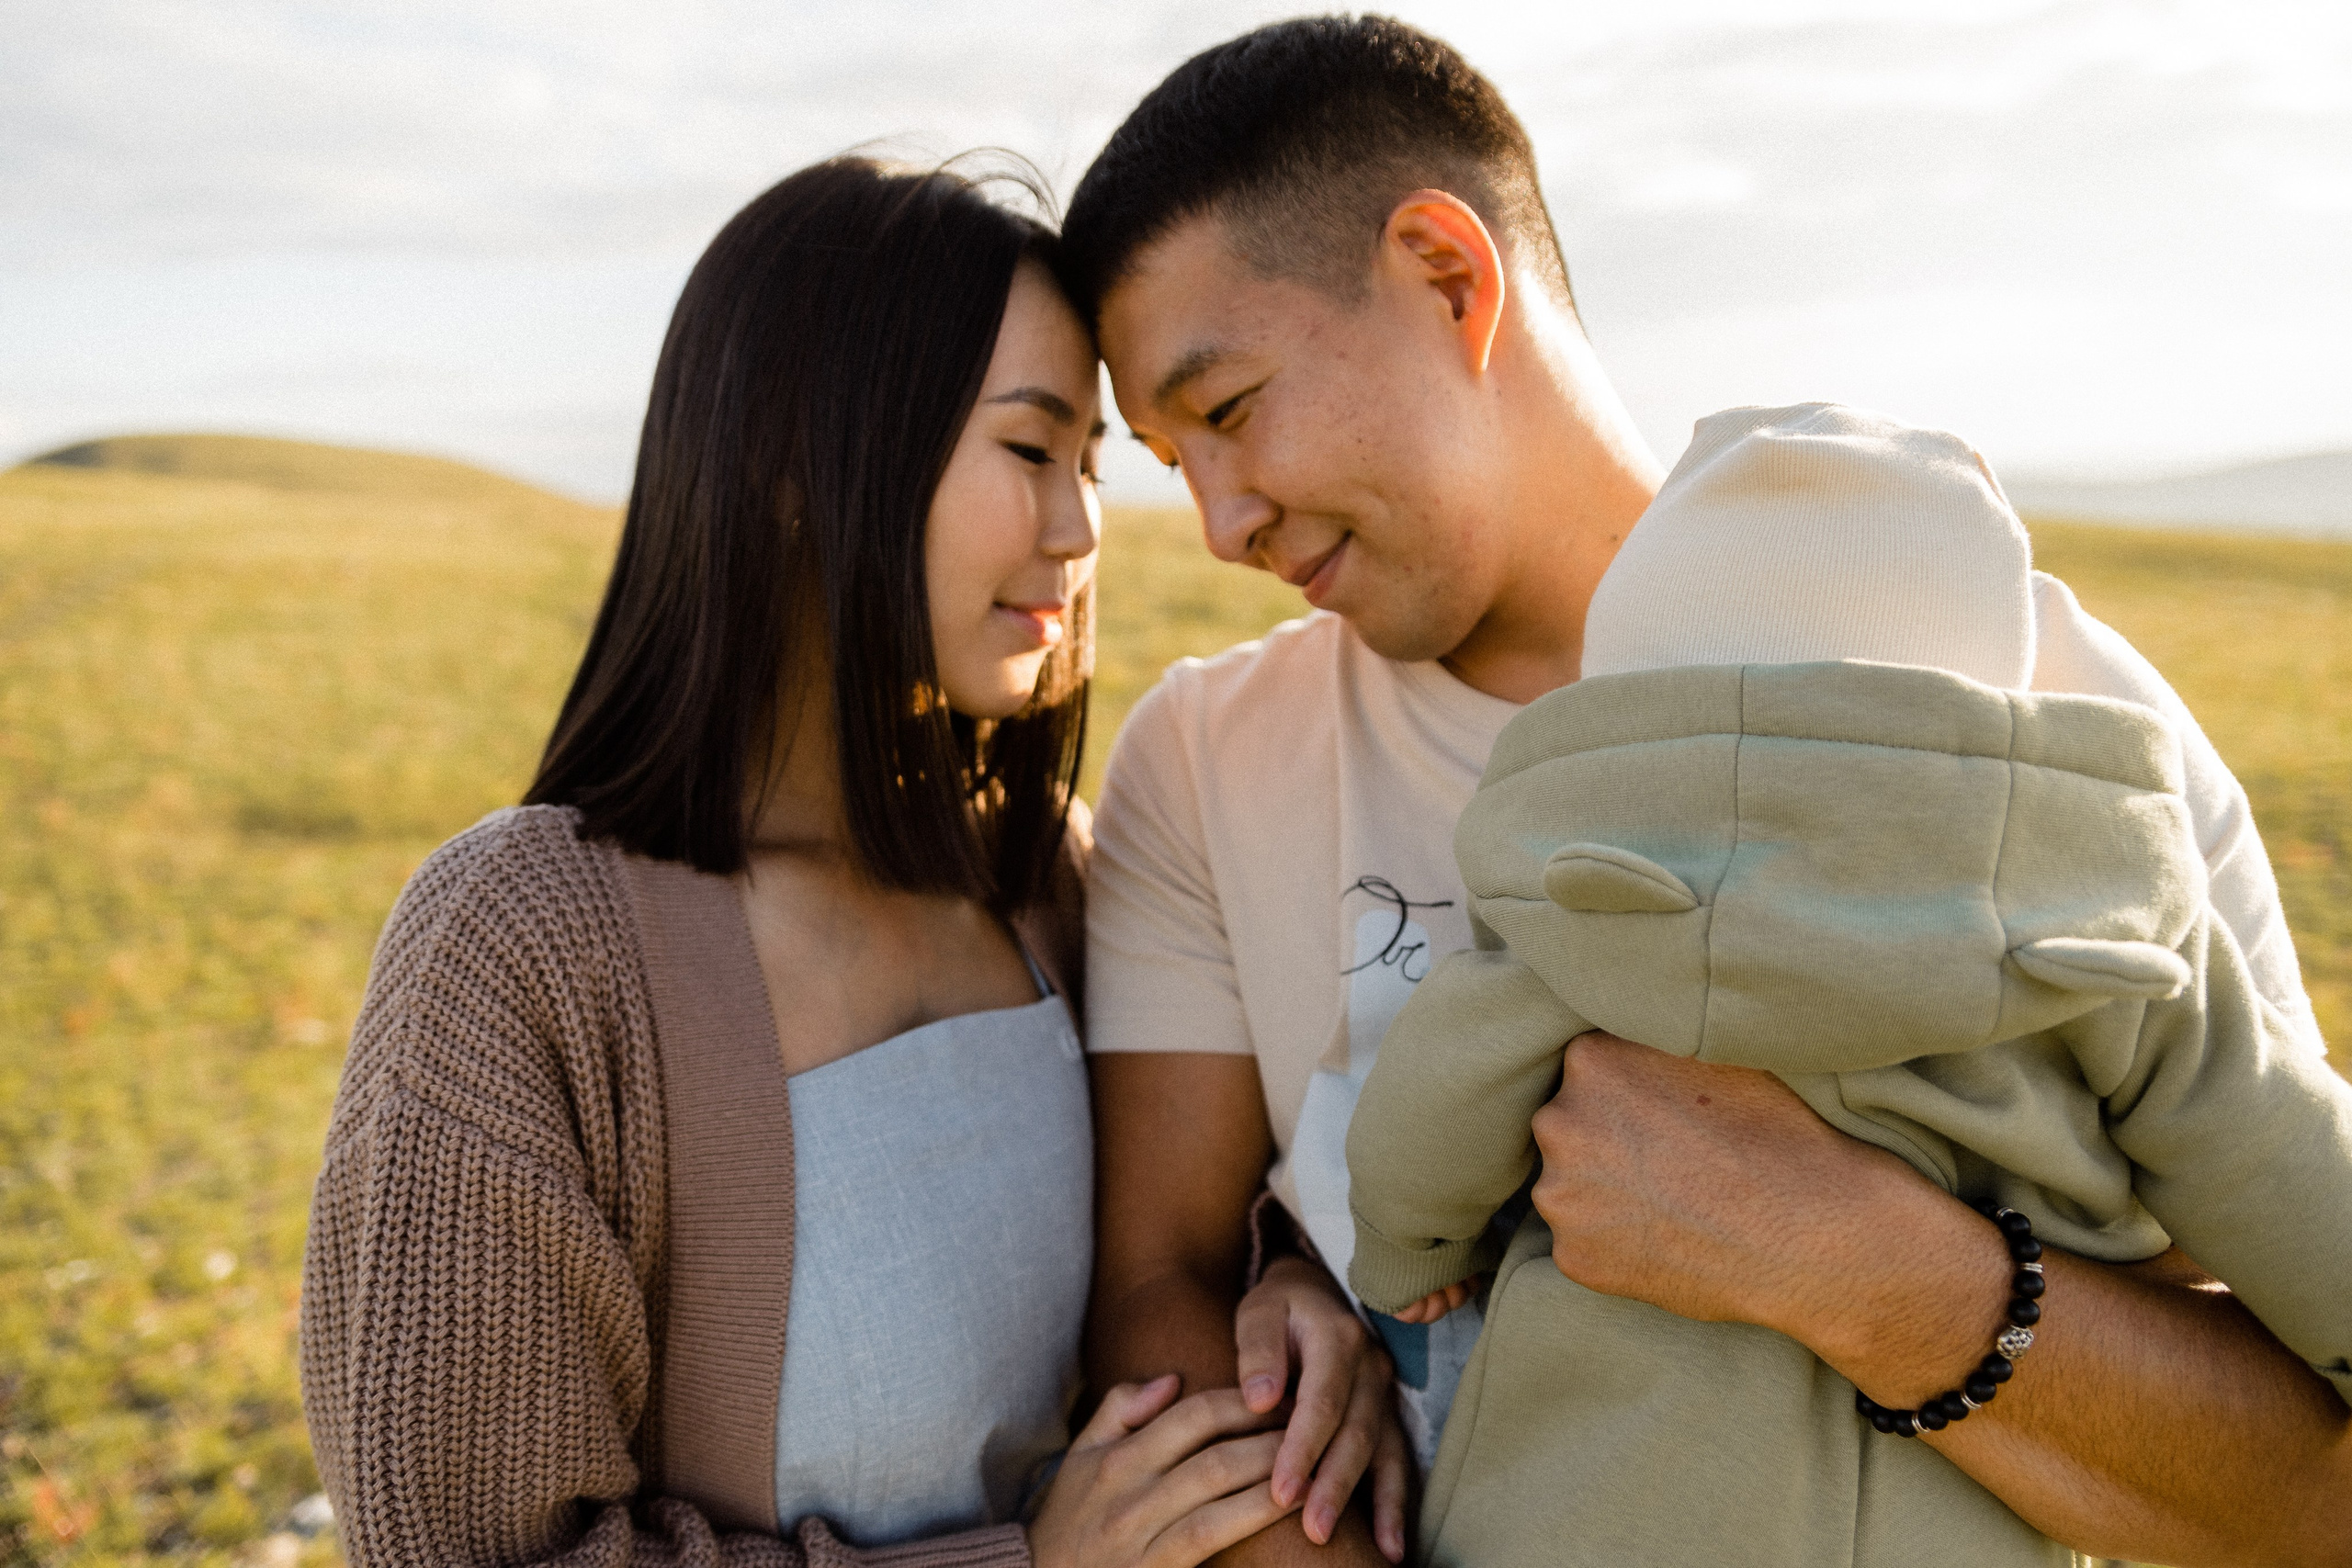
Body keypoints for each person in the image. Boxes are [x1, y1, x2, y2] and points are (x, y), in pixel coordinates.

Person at [1058, 17, 2352, 1567]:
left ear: (1448, 276)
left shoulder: (2048, 717)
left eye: (1230, 407)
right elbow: (1158, 1288)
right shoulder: (1207, 761)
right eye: (1160, 456)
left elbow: (2312, 1491)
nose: (1215, 520)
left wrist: (1872, 1271)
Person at [299, 155, 1392, 1568]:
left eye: (1090, 466)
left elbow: (1170, 1259)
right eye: (1025, 448)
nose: (1079, 530)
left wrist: (1288, 1305)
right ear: (794, 466)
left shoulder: (1046, 885)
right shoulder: (522, 946)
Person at [1344, 400, 2352, 1565]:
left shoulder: (1582, 897)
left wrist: (1409, 1252)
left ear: (1629, 688)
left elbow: (1446, 1074)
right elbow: (2264, 1138)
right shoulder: (2105, 928)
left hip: (1591, 1506)